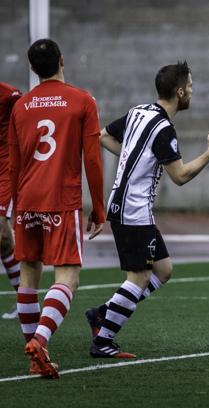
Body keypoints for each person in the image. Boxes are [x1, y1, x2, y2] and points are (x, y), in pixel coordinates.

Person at [85, 61, 209, 359]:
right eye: (191, 87)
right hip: (133, 211)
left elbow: (104, 135)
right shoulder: (163, 129)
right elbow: (181, 176)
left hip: (127, 207)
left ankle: (103, 313)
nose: (192, 92)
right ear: (180, 91)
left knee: (163, 270)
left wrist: (134, 157)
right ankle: (103, 340)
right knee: (139, 277)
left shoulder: (138, 111)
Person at [8, 39, 106, 378]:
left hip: (26, 200)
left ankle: (35, 359)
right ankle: (40, 341)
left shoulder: (20, 106)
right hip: (61, 200)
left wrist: (12, 208)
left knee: (28, 277)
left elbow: (14, 165)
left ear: (33, 69)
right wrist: (99, 207)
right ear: (62, 60)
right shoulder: (82, 101)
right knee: (68, 278)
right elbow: (91, 159)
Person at [0, 82, 22, 320]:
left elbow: (30, 118)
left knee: (2, 233)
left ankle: (24, 299)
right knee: (5, 243)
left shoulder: (9, 95)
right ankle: (24, 298)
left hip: (4, 171)